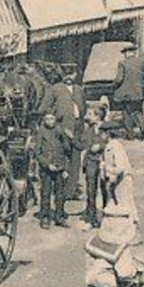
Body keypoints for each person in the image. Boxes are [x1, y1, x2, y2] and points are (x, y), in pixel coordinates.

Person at [41, 68, 82, 200]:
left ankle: (71, 190)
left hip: (77, 127)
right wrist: (57, 122)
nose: (69, 76)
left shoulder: (79, 89)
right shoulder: (55, 89)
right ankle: (61, 190)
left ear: (75, 74)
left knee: (75, 159)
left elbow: (84, 108)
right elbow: (45, 108)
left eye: (72, 73)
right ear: (62, 75)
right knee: (62, 157)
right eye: (66, 74)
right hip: (62, 128)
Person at [99, 122, 139, 240]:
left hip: (123, 180)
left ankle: (135, 233)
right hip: (115, 182)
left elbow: (120, 167)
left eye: (102, 132)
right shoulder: (109, 146)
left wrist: (108, 170)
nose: (100, 135)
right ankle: (122, 232)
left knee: (127, 205)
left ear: (108, 133)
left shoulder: (116, 146)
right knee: (118, 206)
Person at [32, 112, 72, 229]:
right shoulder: (41, 132)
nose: (50, 121)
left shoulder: (59, 130)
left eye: (52, 119)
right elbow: (37, 153)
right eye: (47, 119)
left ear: (55, 119)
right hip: (47, 169)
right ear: (44, 120)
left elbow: (67, 151)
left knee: (60, 193)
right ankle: (45, 217)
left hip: (59, 167)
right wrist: (47, 164)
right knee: (46, 192)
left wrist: (65, 137)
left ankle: (59, 216)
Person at [111, 41, 144, 141]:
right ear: (133, 52)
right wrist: (141, 87)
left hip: (126, 94)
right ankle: (142, 131)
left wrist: (113, 86)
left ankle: (130, 135)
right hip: (138, 92)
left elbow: (119, 79)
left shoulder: (122, 63)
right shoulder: (141, 62)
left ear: (126, 53)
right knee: (138, 111)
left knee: (126, 113)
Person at [78, 107, 107, 229]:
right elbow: (84, 142)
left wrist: (100, 146)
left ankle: (106, 217)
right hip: (90, 162)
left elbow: (112, 142)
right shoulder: (88, 129)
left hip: (103, 162)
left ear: (97, 116)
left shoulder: (106, 128)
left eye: (90, 114)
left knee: (105, 189)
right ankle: (91, 216)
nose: (87, 116)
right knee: (90, 190)